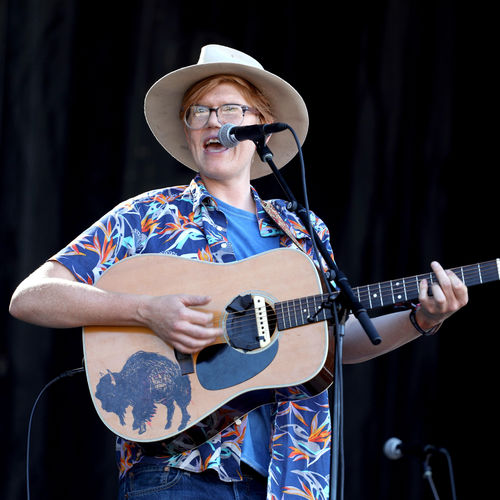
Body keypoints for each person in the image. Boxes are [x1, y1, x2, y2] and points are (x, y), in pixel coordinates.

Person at [9, 44, 468, 500]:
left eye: (229, 108)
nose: (213, 122)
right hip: (179, 472)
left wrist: (421, 320)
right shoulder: (148, 215)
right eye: (198, 112)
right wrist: (146, 311)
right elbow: (32, 295)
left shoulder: (303, 232)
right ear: (188, 131)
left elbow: (333, 341)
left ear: (260, 128)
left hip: (291, 478)